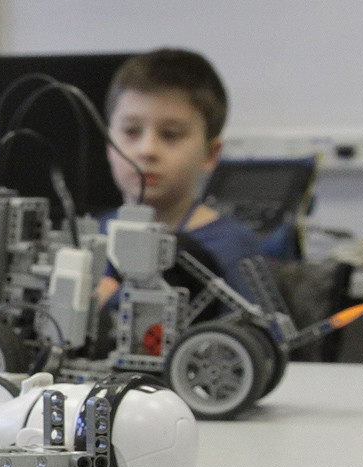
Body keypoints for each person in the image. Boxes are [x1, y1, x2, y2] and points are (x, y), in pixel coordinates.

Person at [98, 48, 264, 305]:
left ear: (210, 154)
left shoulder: (234, 250)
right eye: (131, 131)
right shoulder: (90, 236)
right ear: (109, 144)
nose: (147, 150)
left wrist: (111, 302)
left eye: (171, 135)